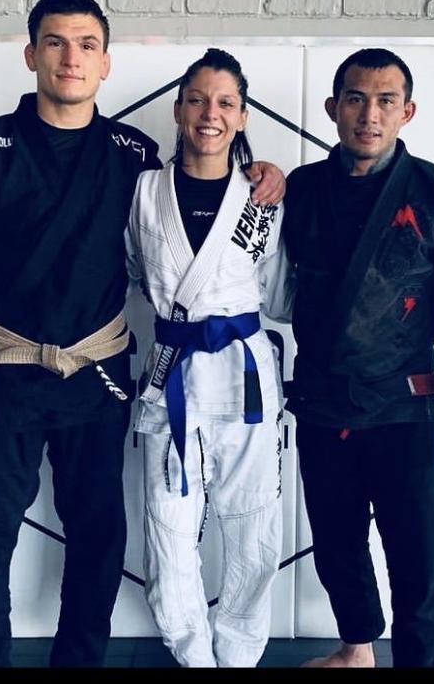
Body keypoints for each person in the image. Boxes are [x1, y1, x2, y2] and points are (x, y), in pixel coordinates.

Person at [0, 0, 283, 668]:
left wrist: (259, 174)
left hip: (98, 376)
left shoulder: (132, 155)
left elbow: (196, 197)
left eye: (87, 44)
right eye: (55, 42)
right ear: (31, 55)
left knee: (98, 539)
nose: (71, 58)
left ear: (106, 62)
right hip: (1, 372)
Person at [283, 48, 434, 668]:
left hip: (405, 407)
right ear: (334, 107)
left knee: (418, 562)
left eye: (385, 101)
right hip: (323, 401)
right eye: (356, 99)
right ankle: (357, 650)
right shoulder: (302, 190)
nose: (369, 115)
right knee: (336, 546)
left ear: (407, 112)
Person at [125, 48, 292, 668]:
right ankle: (195, 658)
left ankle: (240, 658)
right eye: (197, 100)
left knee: (253, 530)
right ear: (178, 109)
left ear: (243, 116)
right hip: (170, 373)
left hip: (246, 381)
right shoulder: (144, 191)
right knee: (167, 532)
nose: (209, 114)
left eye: (225, 103)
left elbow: (279, 293)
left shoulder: (262, 197)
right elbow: (134, 271)